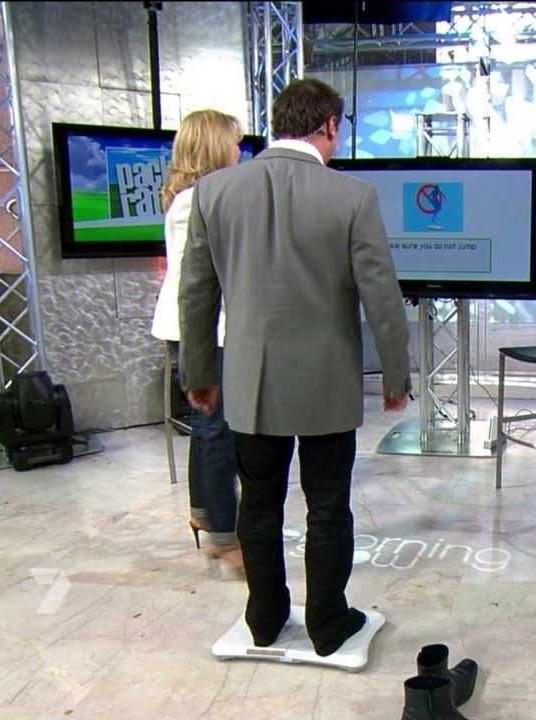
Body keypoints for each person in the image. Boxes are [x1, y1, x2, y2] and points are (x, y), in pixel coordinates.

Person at [179, 78, 411, 656]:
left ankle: (263, 618)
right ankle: (328, 625)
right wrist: (396, 374)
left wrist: (199, 373)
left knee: (258, 503)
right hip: (326, 383)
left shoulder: (214, 192)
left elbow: (196, 293)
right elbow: (381, 294)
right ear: (329, 125)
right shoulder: (353, 196)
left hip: (250, 383)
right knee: (327, 505)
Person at [150, 109, 245, 575]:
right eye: (234, 143)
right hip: (203, 328)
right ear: (214, 147)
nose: (240, 152)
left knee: (206, 424)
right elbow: (204, 280)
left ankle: (203, 512)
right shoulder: (197, 202)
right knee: (216, 428)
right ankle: (226, 537)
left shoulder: (192, 198)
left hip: (199, 327)